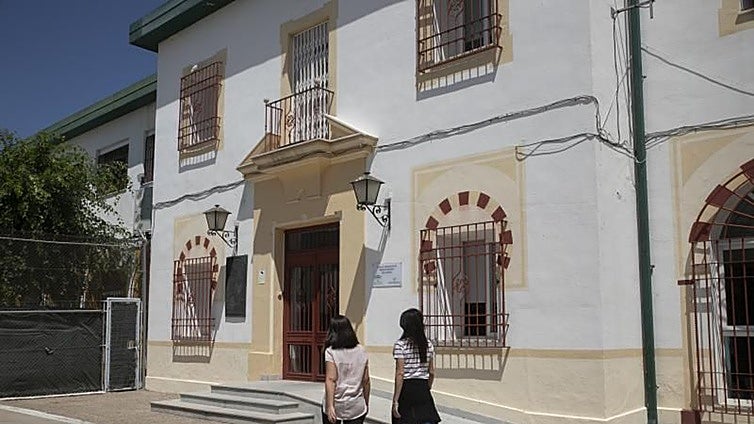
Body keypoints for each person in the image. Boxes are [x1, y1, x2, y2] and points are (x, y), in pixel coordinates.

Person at [392, 308, 441, 424]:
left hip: (407, 387)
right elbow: (431, 372)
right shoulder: (428, 345)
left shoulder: (401, 345)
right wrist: (427, 387)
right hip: (422, 386)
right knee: (426, 419)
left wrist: (395, 400)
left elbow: (400, 373)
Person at [322, 315, 370, 424]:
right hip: (356, 403)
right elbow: (366, 380)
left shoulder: (331, 351)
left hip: (337, 402)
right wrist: (366, 402)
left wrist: (330, 406)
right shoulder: (361, 350)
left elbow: (331, 379)